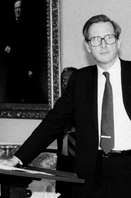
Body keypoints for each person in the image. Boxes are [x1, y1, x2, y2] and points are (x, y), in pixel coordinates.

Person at [0, 14, 131, 198]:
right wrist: (18, 159)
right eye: (95, 40)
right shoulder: (80, 80)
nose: (103, 45)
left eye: (109, 37)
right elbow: (53, 122)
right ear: (88, 46)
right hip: (90, 173)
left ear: (118, 41)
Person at [56, 67, 77, 198]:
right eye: (63, 81)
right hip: (63, 161)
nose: (65, 84)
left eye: (69, 80)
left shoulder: (87, 103)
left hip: (80, 161)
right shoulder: (59, 104)